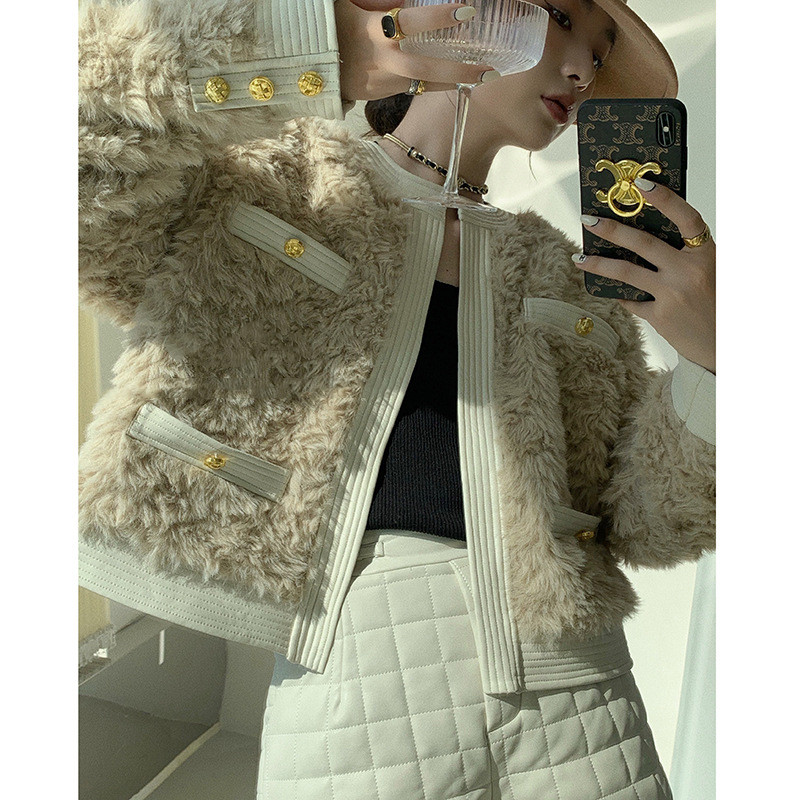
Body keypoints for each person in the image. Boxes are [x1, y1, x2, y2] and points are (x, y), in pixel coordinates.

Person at [78, 0, 715, 797]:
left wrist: (718, 363)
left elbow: (649, 524)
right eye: (562, 18)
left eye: (603, 48)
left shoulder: (568, 276)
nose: (585, 69)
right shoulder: (272, 181)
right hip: (354, 676)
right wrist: (329, 46)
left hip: (582, 695)